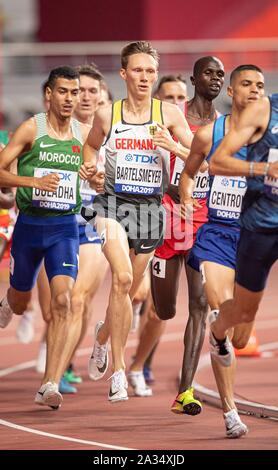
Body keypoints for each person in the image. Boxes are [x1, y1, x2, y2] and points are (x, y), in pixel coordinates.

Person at [81, 41, 193, 403]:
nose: (145, 77)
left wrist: (172, 145)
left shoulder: (170, 115)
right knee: (124, 277)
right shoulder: (107, 115)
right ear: (124, 73)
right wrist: (91, 171)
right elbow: (91, 148)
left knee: (129, 294)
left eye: (150, 71)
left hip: (150, 210)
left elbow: (199, 160)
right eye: (138, 70)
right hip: (111, 204)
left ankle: (101, 337)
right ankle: (117, 372)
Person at [129, 57, 224, 410]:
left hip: (203, 219)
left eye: (220, 75)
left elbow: (217, 166)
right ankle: (128, 337)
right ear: (194, 78)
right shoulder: (171, 117)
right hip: (167, 215)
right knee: (164, 310)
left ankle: (185, 392)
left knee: (199, 305)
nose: (214, 79)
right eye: (208, 73)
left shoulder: (224, 126)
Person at [179, 64, 265, 437]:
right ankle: (231, 412)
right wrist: (184, 197)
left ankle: (217, 332)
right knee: (217, 304)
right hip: (216, 234)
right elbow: (188, 173)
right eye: (246, 83)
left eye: (260, 85)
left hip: (254, 237)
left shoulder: (271, 138)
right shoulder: (209, 133)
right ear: (231, 91)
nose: (254, 90)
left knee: (240, 333)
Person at [0, 65, 89, 410]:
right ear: (49, 95)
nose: (70, 98)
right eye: (64, 92)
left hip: (64, 228)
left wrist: (94, 177)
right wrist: (32, 182)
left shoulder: (83, 135)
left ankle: (49, 382)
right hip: (29, 226)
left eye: (75, 92)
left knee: (64, 301)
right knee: (22, 301)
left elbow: (95, 179)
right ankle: (10, 303)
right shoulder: (31, 129)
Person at [34, 65, 109, 394]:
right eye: (81, 90)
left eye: (94, 91)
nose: (87, 96)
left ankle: (56, 373)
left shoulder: (110, 131)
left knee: (78, 301)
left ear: (102, 96)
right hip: (49, 221)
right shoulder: (49, 130)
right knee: (54, 308)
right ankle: (45, 338)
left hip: (92, 220)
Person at [208, 92, 278, 371]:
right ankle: (217, 329)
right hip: (260, 227)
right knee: (243, 315)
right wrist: (264, 169)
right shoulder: (264, 110)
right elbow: (218, 162)